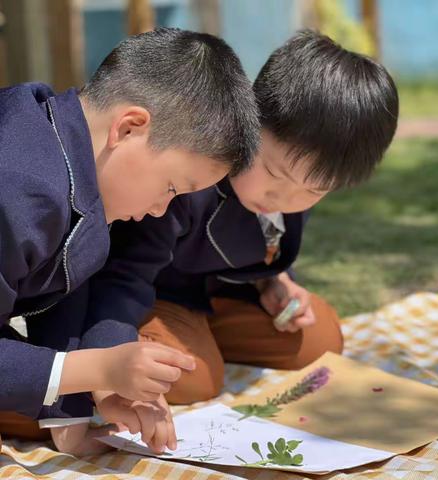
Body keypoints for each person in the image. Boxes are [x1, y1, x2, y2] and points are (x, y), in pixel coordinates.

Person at [0, 27, 259, 455]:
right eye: (173, 187)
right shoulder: (20, 187)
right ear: (130, 128)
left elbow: (65, 277)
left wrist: (74, 406)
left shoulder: (61, 137)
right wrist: (93, 369)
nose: (161, 210)